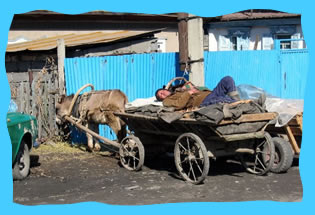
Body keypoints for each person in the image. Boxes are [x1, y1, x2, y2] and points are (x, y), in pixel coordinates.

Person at [155, 76, 241, 110]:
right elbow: (178, 104)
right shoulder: (166, 101)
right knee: (221, 100)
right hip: (202, 102)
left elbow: (194, 86)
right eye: (161, 95)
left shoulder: (178, 90)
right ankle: (237, 104)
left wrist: (187, 88)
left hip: (210, 93)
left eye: (162, 92)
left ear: (166, 89)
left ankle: (236, 100)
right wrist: (189, 92)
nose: (163, 94)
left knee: (227, 79)